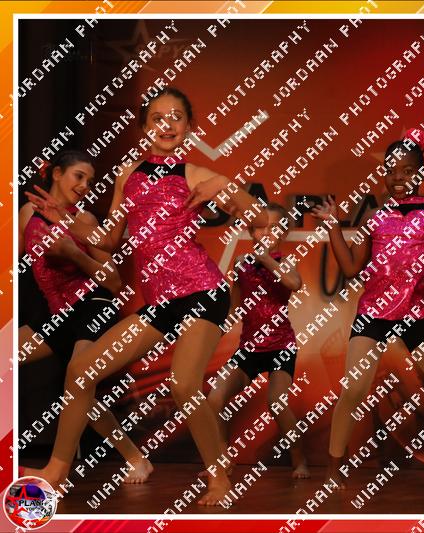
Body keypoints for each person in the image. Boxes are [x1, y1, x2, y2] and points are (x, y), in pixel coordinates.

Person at [24, 87, 270, 506]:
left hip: (202, 292)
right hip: (160, 303)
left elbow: (261, 216)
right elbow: (108, 240)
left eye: (176, 117)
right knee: (81, 370)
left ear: (189, 126)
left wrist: (225, 184)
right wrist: (65, 219)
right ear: (143, 127)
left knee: (184, 384)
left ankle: (219, 477)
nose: (167, 124)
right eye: (157, 117)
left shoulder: (195, 174)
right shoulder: (129, 175)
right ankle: (57, 471)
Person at [311, 129, 424, 491]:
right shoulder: (375, 217)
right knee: (353, 391)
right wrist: (334, 227)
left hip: (417, 316)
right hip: (374, 314)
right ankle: (333, 469)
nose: (398, 178)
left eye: (407, 171)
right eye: (391, 171)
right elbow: (350, 268)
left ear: (420, 172)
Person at [19, 150, 152, 483]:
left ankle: (57, 472)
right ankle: (136, 458)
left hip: (92, 306)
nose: (84, 186)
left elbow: (114, 282)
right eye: (79, 176)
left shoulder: (86, 220)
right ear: (57, 174)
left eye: (90, 181)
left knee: (79, 383)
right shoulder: (28, 213)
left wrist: (74, 254)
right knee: (81, 395)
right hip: (55, 312)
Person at [206, 203, 309, 479]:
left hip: (280, 347)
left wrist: (265, 259)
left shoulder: (284, 261)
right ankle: (222, 459)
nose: (265, 233)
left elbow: (294, 283)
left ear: (283, 233)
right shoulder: (241, 264)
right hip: (249, 348)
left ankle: (299, 460)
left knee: (277, 402)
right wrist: (210, 333)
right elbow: (234, 308)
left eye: (273, 228)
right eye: (260, 227)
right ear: (251, 231)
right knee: (215, 396)